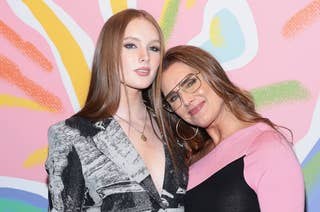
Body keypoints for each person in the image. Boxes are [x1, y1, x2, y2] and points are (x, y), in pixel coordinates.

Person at [45, 9, 187, 211]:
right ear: (108, 52)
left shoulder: (174, 128)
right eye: (130, 45)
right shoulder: (71, 134)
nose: (144, 56)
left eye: (154, 48)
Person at [152, 45, 305, 211]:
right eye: (174, 97)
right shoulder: (187, 165)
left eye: (190, 83)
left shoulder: (267, 146)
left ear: (212, 74)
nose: (186, 100)